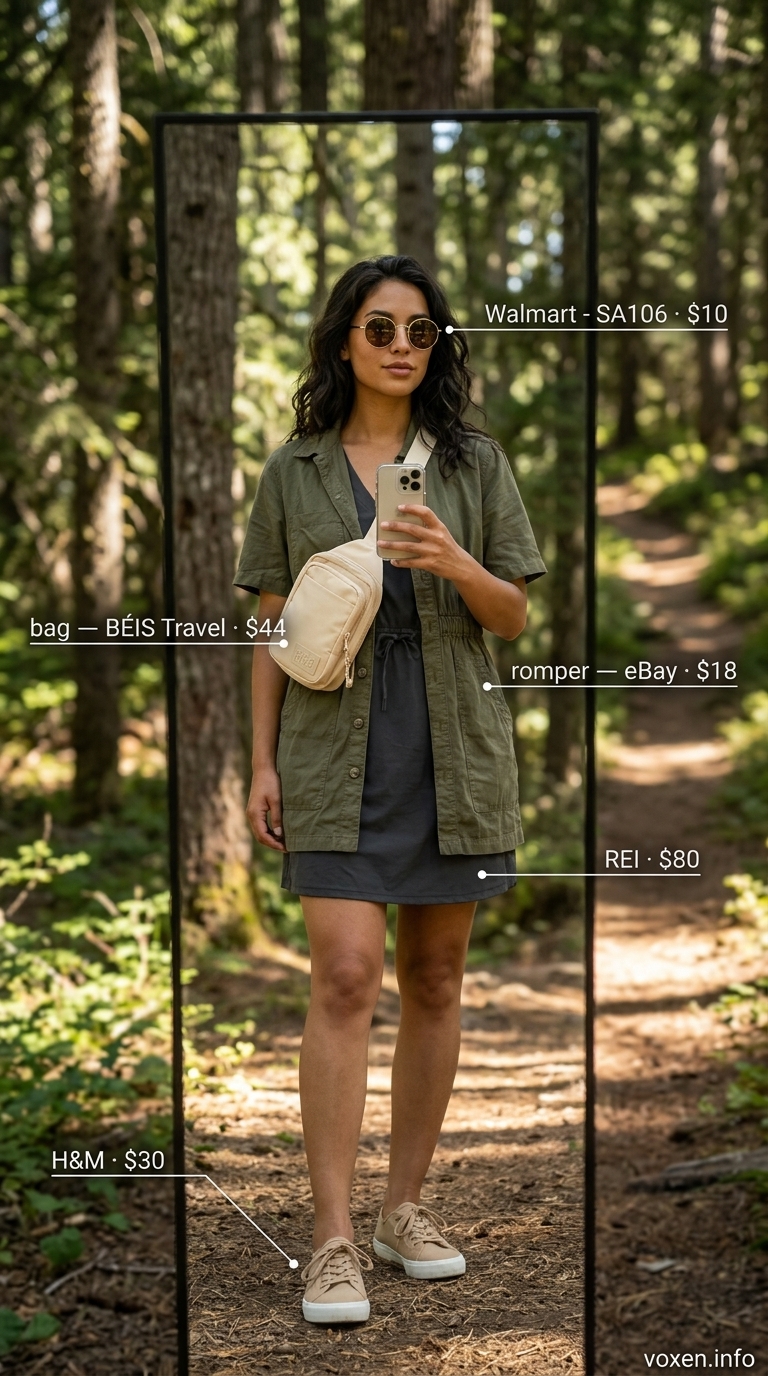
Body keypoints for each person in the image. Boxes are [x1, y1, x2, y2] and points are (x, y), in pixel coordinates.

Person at [234, 254, 545, 1325]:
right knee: (345, 974)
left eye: (423, 330)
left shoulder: (473, 463)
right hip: (332, 753)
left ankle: (401, 1208)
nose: (404, 345)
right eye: (381, 327)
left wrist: (456, 562)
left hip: (453, 747)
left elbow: (512, 616)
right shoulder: (296, 470)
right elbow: (274, 632)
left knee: (439, 976)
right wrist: (260, 761)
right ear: (344, 340)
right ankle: (328, 1236)